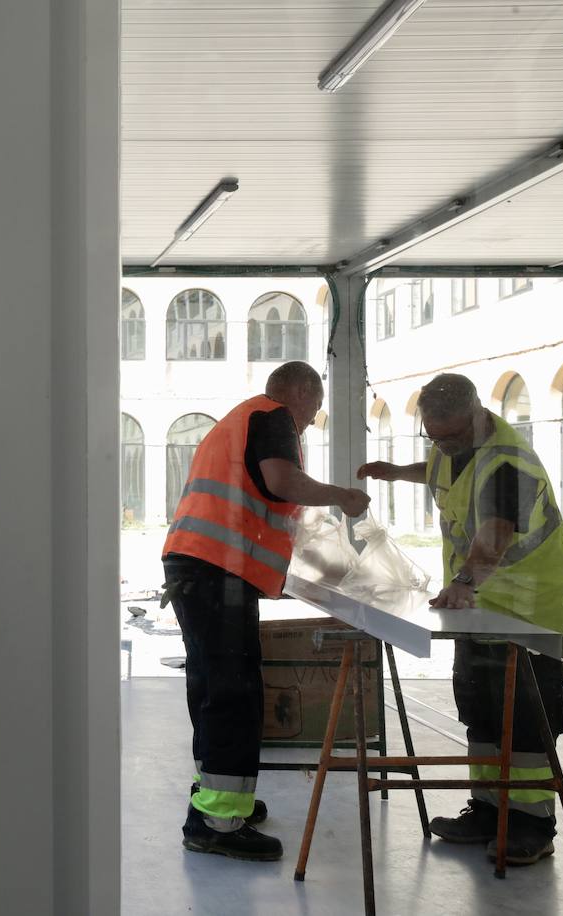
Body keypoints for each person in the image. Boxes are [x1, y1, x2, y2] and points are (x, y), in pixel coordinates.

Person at [358, 373, 563, 866]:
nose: (442, 443)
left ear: (478, 415)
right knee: (479, 709)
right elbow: (440, 470)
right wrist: (397, 471)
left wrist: (462, 583)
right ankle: (486, 809)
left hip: (527, 609)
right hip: (481, 607)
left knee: (521, 722)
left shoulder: (506, 463)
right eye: (433, 435)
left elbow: (493, 538)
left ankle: (531, 824)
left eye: (451, 434)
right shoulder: (450, 445)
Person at [163, 361, 370, 861]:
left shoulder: (239, 422)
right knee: (233, 692)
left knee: (214, 686)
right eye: (314, 409)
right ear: (300, 393)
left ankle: (217, 799)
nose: (309, 422)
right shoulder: (273, 416)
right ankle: (217, 821)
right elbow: (283, 482)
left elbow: (263, 505)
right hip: (217, 572)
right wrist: (342, 496)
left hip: (198, 567)